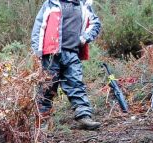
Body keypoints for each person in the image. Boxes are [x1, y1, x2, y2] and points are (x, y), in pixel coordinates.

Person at [31, 0, 102, 130]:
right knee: (47, 88)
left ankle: (84, 117)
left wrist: (84, 38)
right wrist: (37, 51)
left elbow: (95, 24)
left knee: (76, 84)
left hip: (72, 53)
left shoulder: (83, 5)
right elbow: (39, 26)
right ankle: (41, 122)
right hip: (50, 54)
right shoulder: (50, 4)